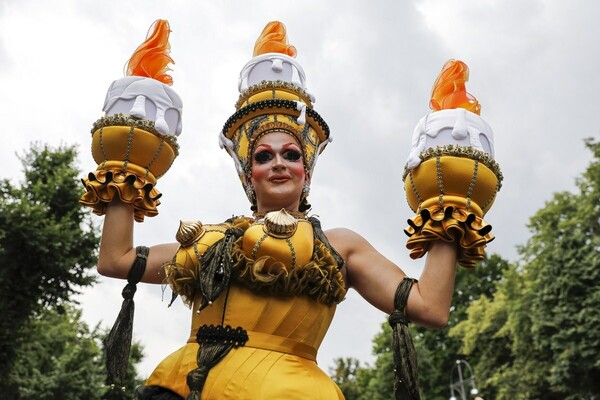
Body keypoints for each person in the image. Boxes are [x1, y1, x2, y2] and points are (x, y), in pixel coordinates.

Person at [89, 21, 462, 400]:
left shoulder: (339, 248)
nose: (279, 163)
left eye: (292, 154)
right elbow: (116, 261)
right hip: (183, 387)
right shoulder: (213, 241)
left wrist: (449, 209)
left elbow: (430, 308)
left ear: (307, 171)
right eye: (265, 156)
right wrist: (127, 169)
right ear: (249, 174)